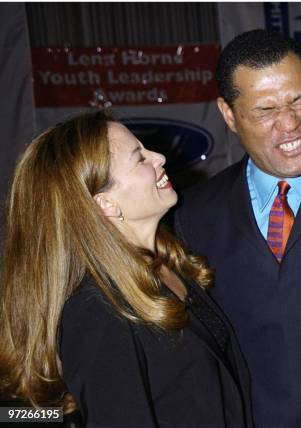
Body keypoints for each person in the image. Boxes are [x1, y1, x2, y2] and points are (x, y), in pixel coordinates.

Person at [0, 111, 253, 428]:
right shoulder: (96, 313)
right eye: (140, 158)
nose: (159, 157)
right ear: (105, 204)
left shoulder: (168, 263)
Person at [174, 30, 301, 426]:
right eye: (265, 110)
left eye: (300, 100)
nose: (290, 124)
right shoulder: (192, 216)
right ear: (229, 114)